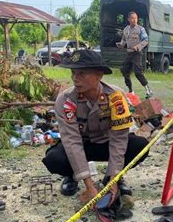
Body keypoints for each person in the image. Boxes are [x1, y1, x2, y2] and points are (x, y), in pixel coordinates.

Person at [42, 50, 149, 202]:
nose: (75, 79)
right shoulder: (65, 100)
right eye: (73, 73)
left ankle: (113, 178)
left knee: (140, 146)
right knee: (54, 158)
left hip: (106, 143)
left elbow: (119, 139)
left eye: (82, 73)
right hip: (82, 145)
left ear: (99, 75)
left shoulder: (116, 97)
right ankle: (73, 177)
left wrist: (113, 178)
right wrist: (89, 186)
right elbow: (72, 142)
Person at [116, 11, 153, 98]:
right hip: (129, 53)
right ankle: (131, 91)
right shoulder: (126, 29)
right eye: (132, 18)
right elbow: (124, 40)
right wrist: (120, 44)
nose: (134, 20)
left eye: (136, 18)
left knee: (138, 72)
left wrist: (138, 46)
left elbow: (146, 40)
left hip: (137, 53)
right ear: (128, 19)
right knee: (124, 70)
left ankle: (148, 90)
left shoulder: (141, 29)